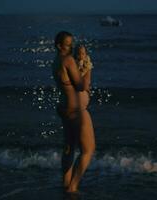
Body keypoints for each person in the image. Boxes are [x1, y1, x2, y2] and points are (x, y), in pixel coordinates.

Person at [52, 31, 96, 195]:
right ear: (59, 46)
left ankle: (66, 183)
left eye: (72, 43)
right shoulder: (68, 60)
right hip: (76, 111)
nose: (71, 47)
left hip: (65, 109)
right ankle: (73, 187)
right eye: (68, 44)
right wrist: (88, 65)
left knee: (69, 147)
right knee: (88, 150)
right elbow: (81, 86)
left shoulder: (56, 61)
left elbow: (68, 84)